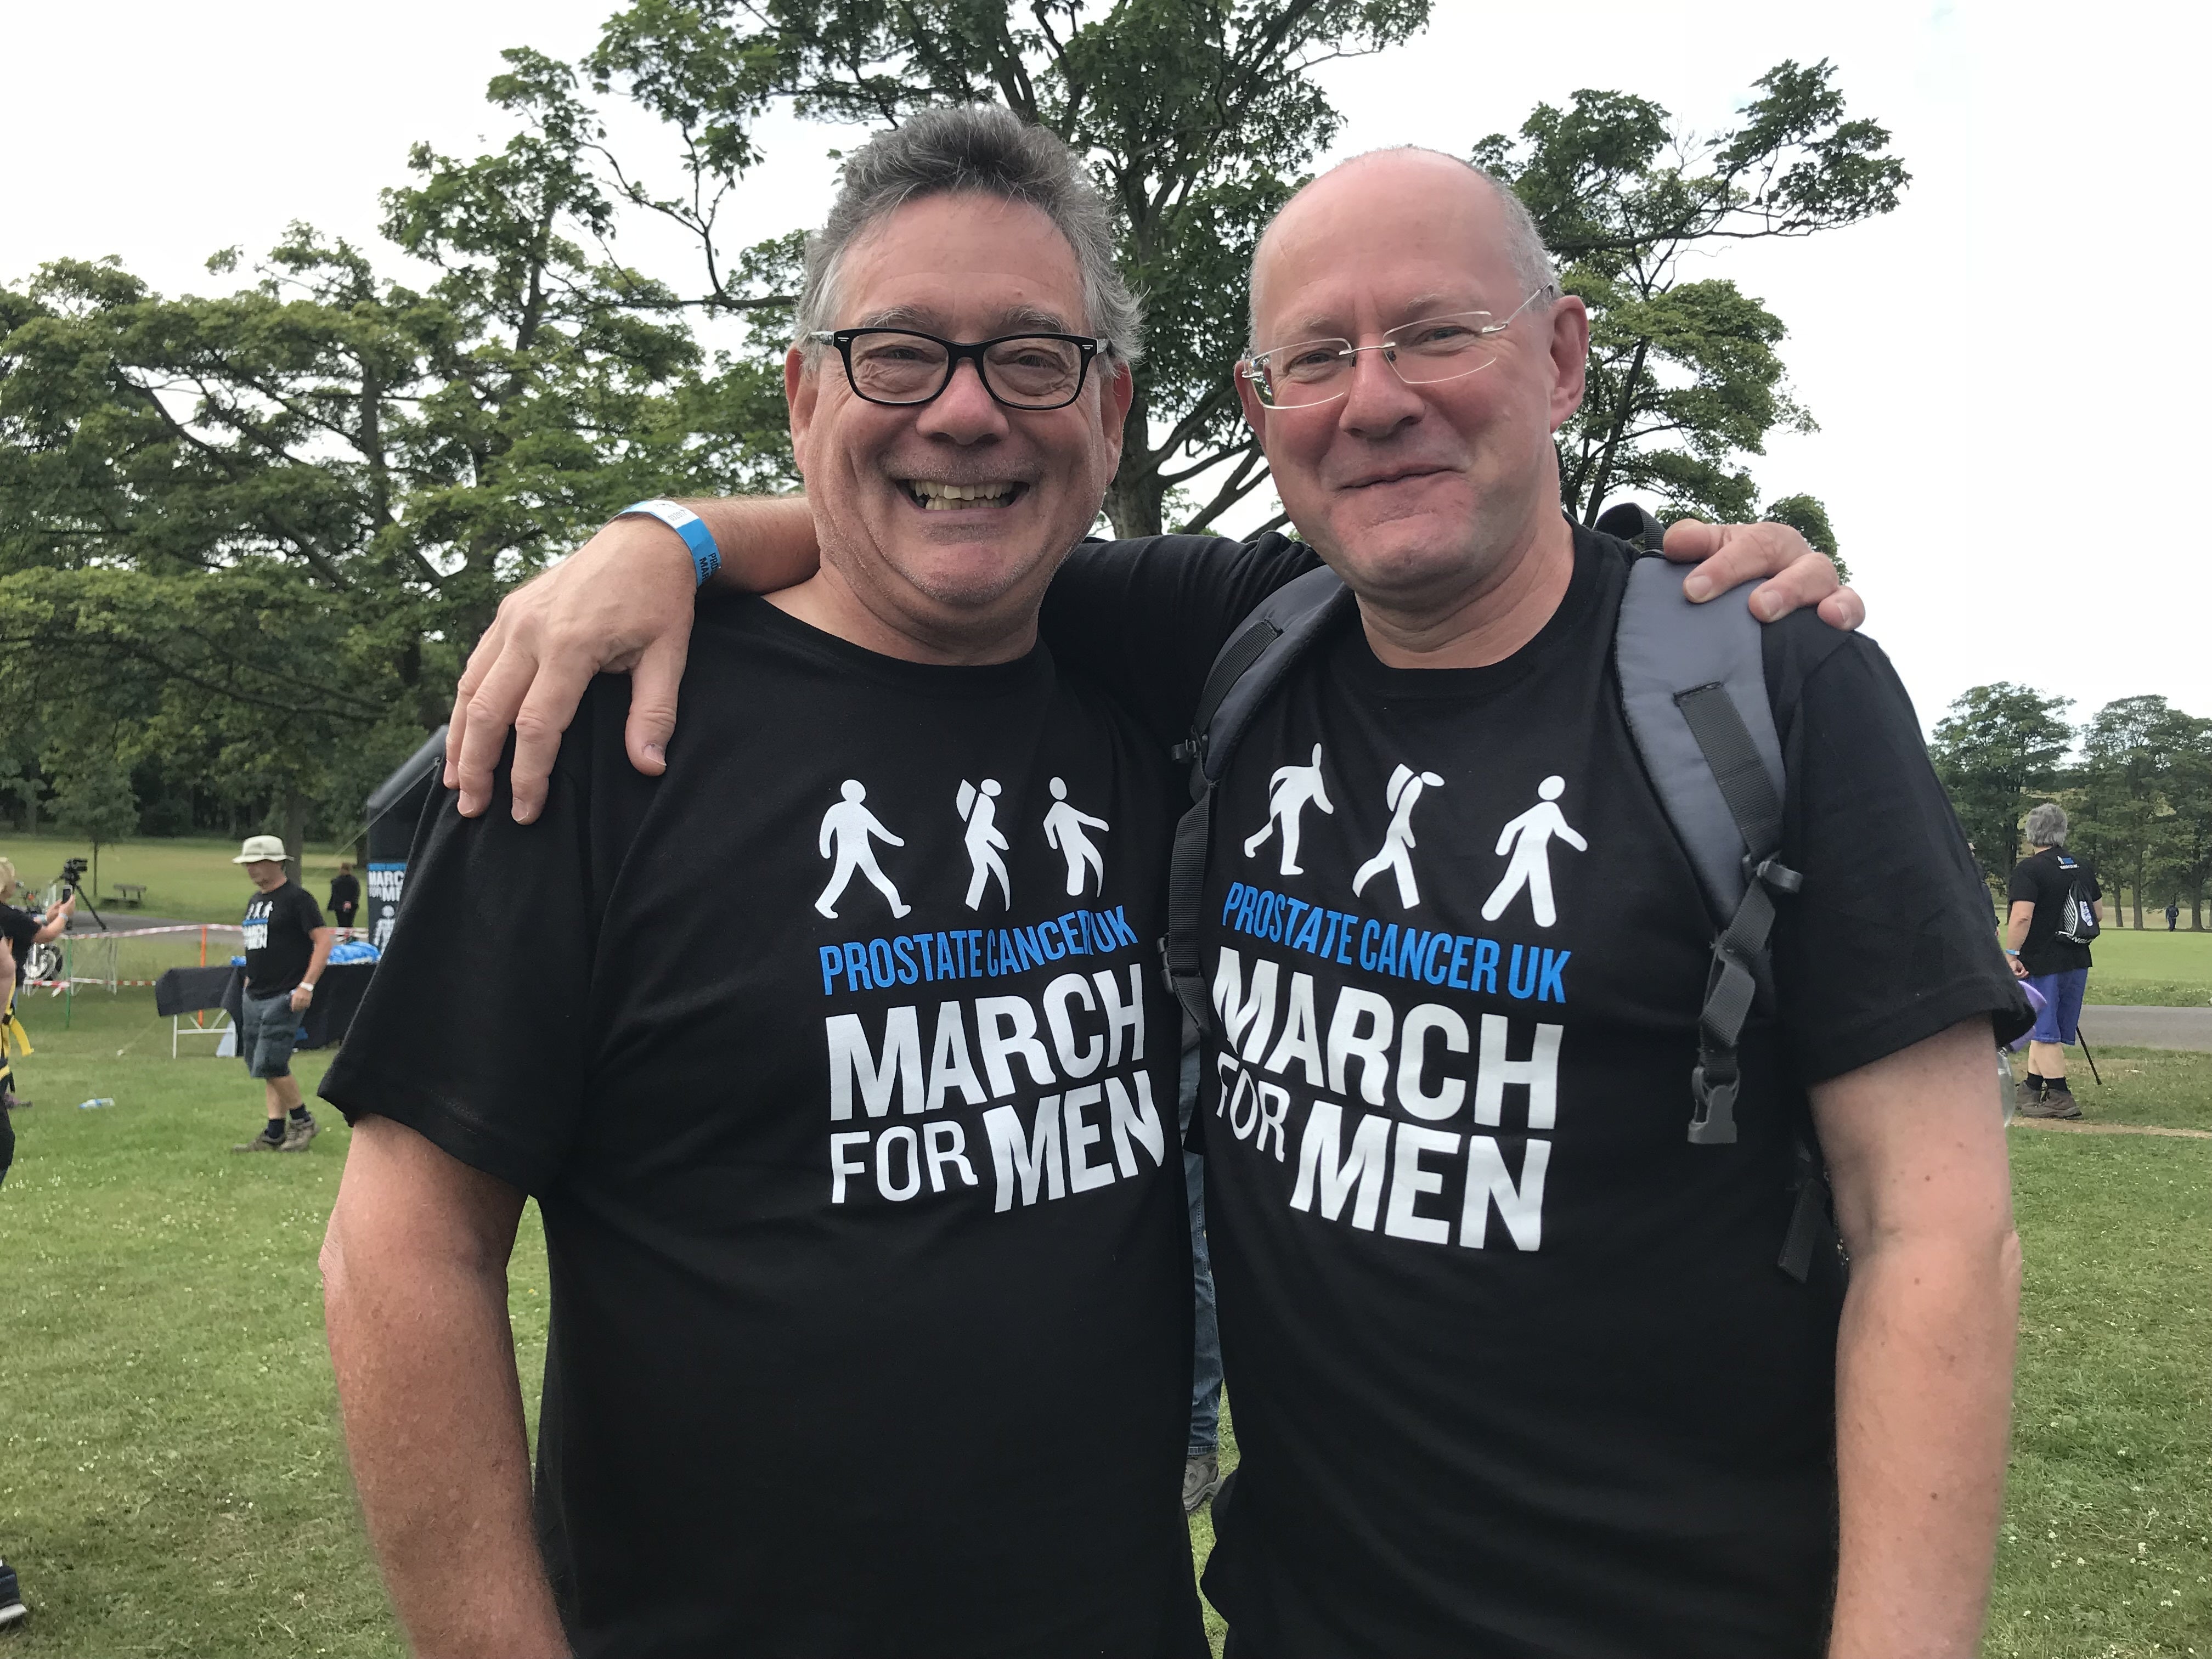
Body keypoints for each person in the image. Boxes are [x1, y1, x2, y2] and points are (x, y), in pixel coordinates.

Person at [398, 120, 1864, 1655]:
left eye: (1032, 359)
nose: (965, 414)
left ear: (1110, 411)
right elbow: (408, 1244)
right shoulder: (603, 728)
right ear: (801, 388)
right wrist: (663, 538)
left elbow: (1504, 569)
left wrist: (1754, 610)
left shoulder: (1186, 678)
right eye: (897, 353)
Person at [231, 836, 334, 1152]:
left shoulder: (297, 899)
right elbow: (257, 945)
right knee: (262, 1064)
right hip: (255, 994)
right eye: (248, 863)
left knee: (271, 1062)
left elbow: (324, 941)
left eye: (257, 862)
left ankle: (303, 1121)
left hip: (285, 995)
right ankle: (274, 1131)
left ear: (277, 862)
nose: (251, 869)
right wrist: (249, 978)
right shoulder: (254, 901)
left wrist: (307, 985)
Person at [2005, 802, 2101, 1119]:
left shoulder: (2029, 870)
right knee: (2047, 1030)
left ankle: (2060, 1096)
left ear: (2032, 834)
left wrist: (2011, 955)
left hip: (2040, 962)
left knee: (2045, 1034)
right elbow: (2096, 914)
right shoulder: (2082, 866)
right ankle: (2031, 1089)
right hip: (2076, 958)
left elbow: (2021, 917)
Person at [0, 859, 74, 1113]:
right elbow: (47, 935)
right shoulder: (6, 914)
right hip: (5, 988)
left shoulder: (7, 915)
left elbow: (25, 922)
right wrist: (64, 915)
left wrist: (47, 915)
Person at [327, 860, 361, 934]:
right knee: (349, 924)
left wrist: (344, 902)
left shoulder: (337, 881)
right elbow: (356, 893)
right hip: (351, 905)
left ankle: (343, 940)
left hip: (340, 905)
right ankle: (349, 940)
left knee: (342, 924)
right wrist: (350, 902)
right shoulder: (354, 881)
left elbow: (336, 894)